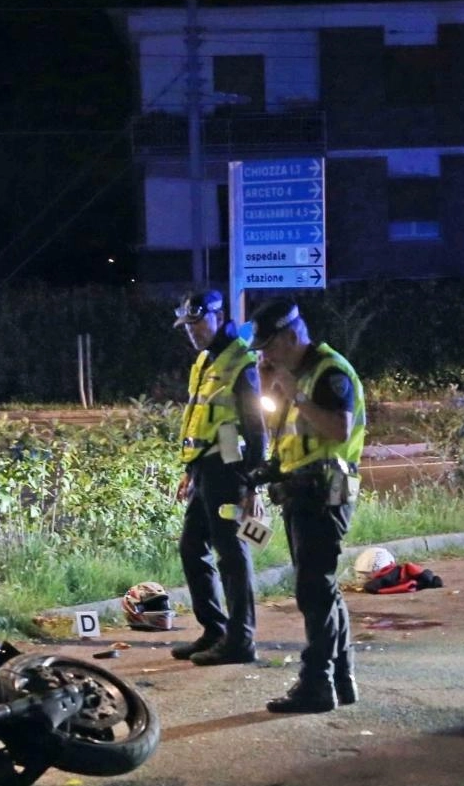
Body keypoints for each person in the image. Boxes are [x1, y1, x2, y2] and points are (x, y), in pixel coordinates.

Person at [248, 298, 366, 714]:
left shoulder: (328, 373)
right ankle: (341, 678)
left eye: (268, 346)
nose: (263, 355)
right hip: (303, 493)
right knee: (323, 589)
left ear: (289, 336)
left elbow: (337, 428)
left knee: (314, 591)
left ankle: (316, 683)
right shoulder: (295, 375)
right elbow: (286, 436)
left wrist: (294, 393)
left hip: (326, 492)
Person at [169, 289, 269, 666]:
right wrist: (189, 471)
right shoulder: (204, 361)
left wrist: (253, 484)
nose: (192, 331)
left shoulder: (240, 361)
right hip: (205, 470)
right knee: (191, 548)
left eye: (197, 323)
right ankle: (215, 629)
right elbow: (200, 419)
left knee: (231, 554)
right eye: (187, 326)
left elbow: (256, 428)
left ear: (218, 315)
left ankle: (241, 640)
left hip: (230, 472)